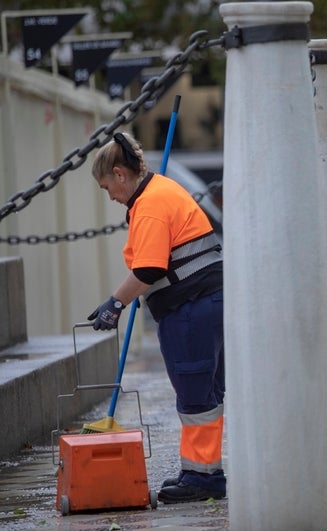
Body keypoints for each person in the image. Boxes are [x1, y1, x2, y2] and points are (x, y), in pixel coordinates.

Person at [87, 131, 225, 504]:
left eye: (107, 188)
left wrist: (113, 304)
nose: (111, 197)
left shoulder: (149, 203)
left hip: (191, 307)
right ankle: (203, 472)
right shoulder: (162, 189)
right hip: (207, 301)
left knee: (196, 392)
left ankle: (203, 478)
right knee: (206, 393)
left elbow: (148, 267)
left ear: (120, 174)